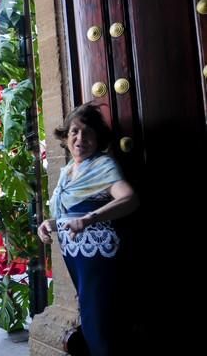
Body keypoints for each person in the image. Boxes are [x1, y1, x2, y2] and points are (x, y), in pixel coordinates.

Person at [37, 103, 138, 356]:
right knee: (92, 316)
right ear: (66, 136)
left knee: (99, 322)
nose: (80, 138)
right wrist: (50, 224)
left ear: (98, 138)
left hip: (98, 257)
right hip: (77, 257)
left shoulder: (103, 165)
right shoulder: (67, 171)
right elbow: (69, 214)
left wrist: (90, 218)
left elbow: (129, 199)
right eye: (74, 131)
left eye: (88, 133)